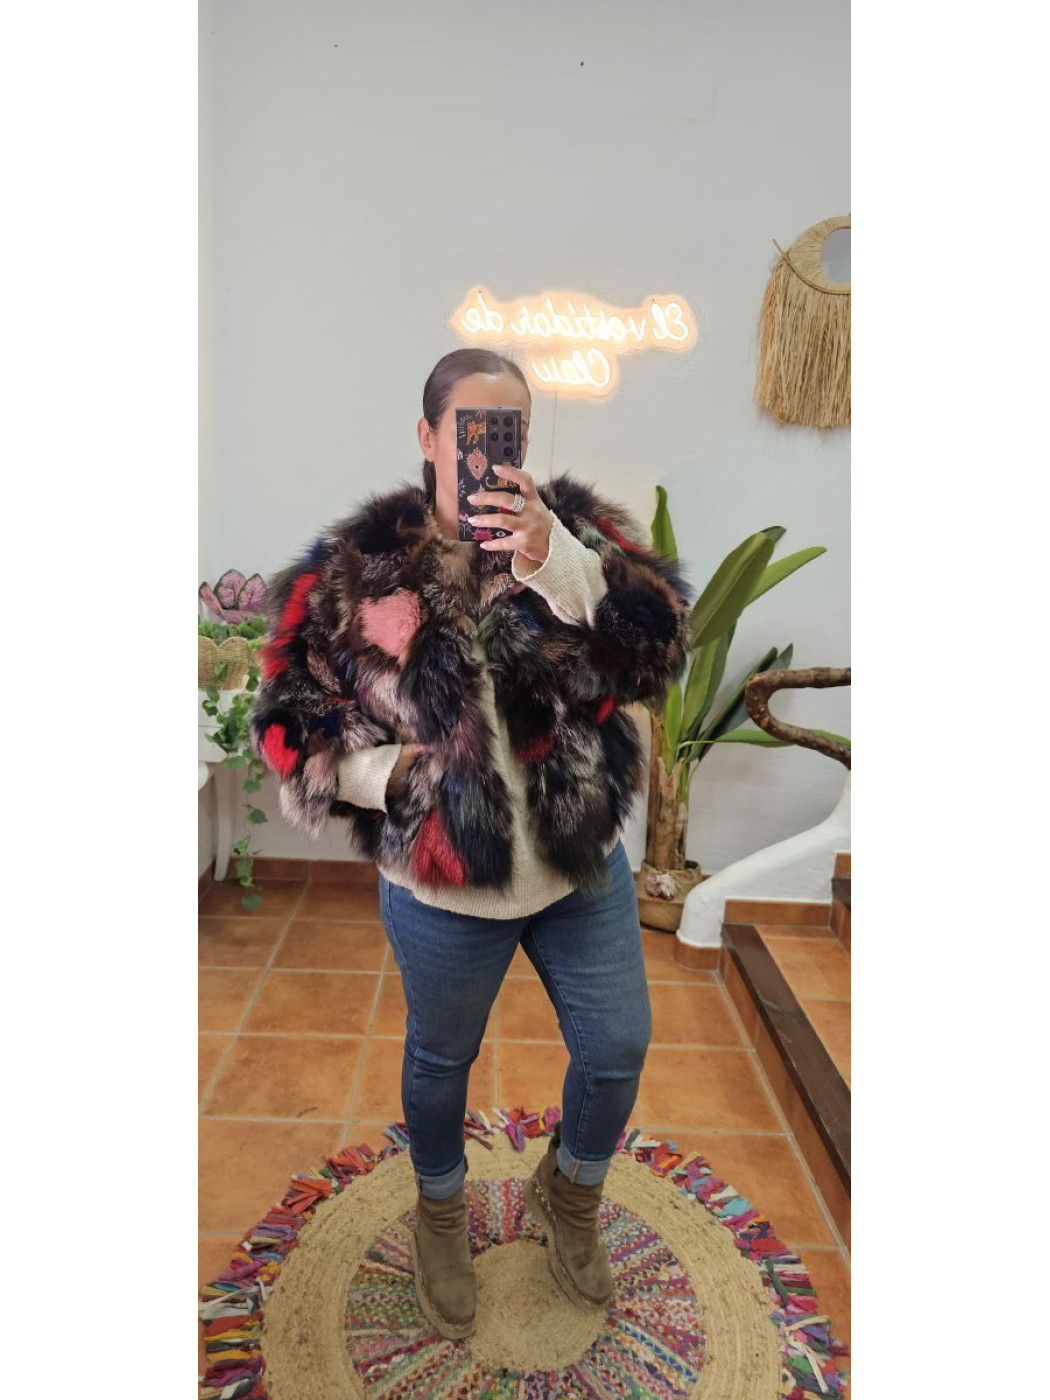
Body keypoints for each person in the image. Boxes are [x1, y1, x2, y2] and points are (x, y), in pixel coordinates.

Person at [249, 347, 693, 1339]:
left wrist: (554, 558)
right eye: (472, 428)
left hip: (577, 863)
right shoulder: (355, 569)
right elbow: (285, 717)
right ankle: (441, 1214)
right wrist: (383, 775)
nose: (492, 450)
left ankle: (569, 1193)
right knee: (442, 1057)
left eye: (511, 431)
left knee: (617, 1047)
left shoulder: (576, 533)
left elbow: (657, 650)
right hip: (444, 882)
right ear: (427, 435)